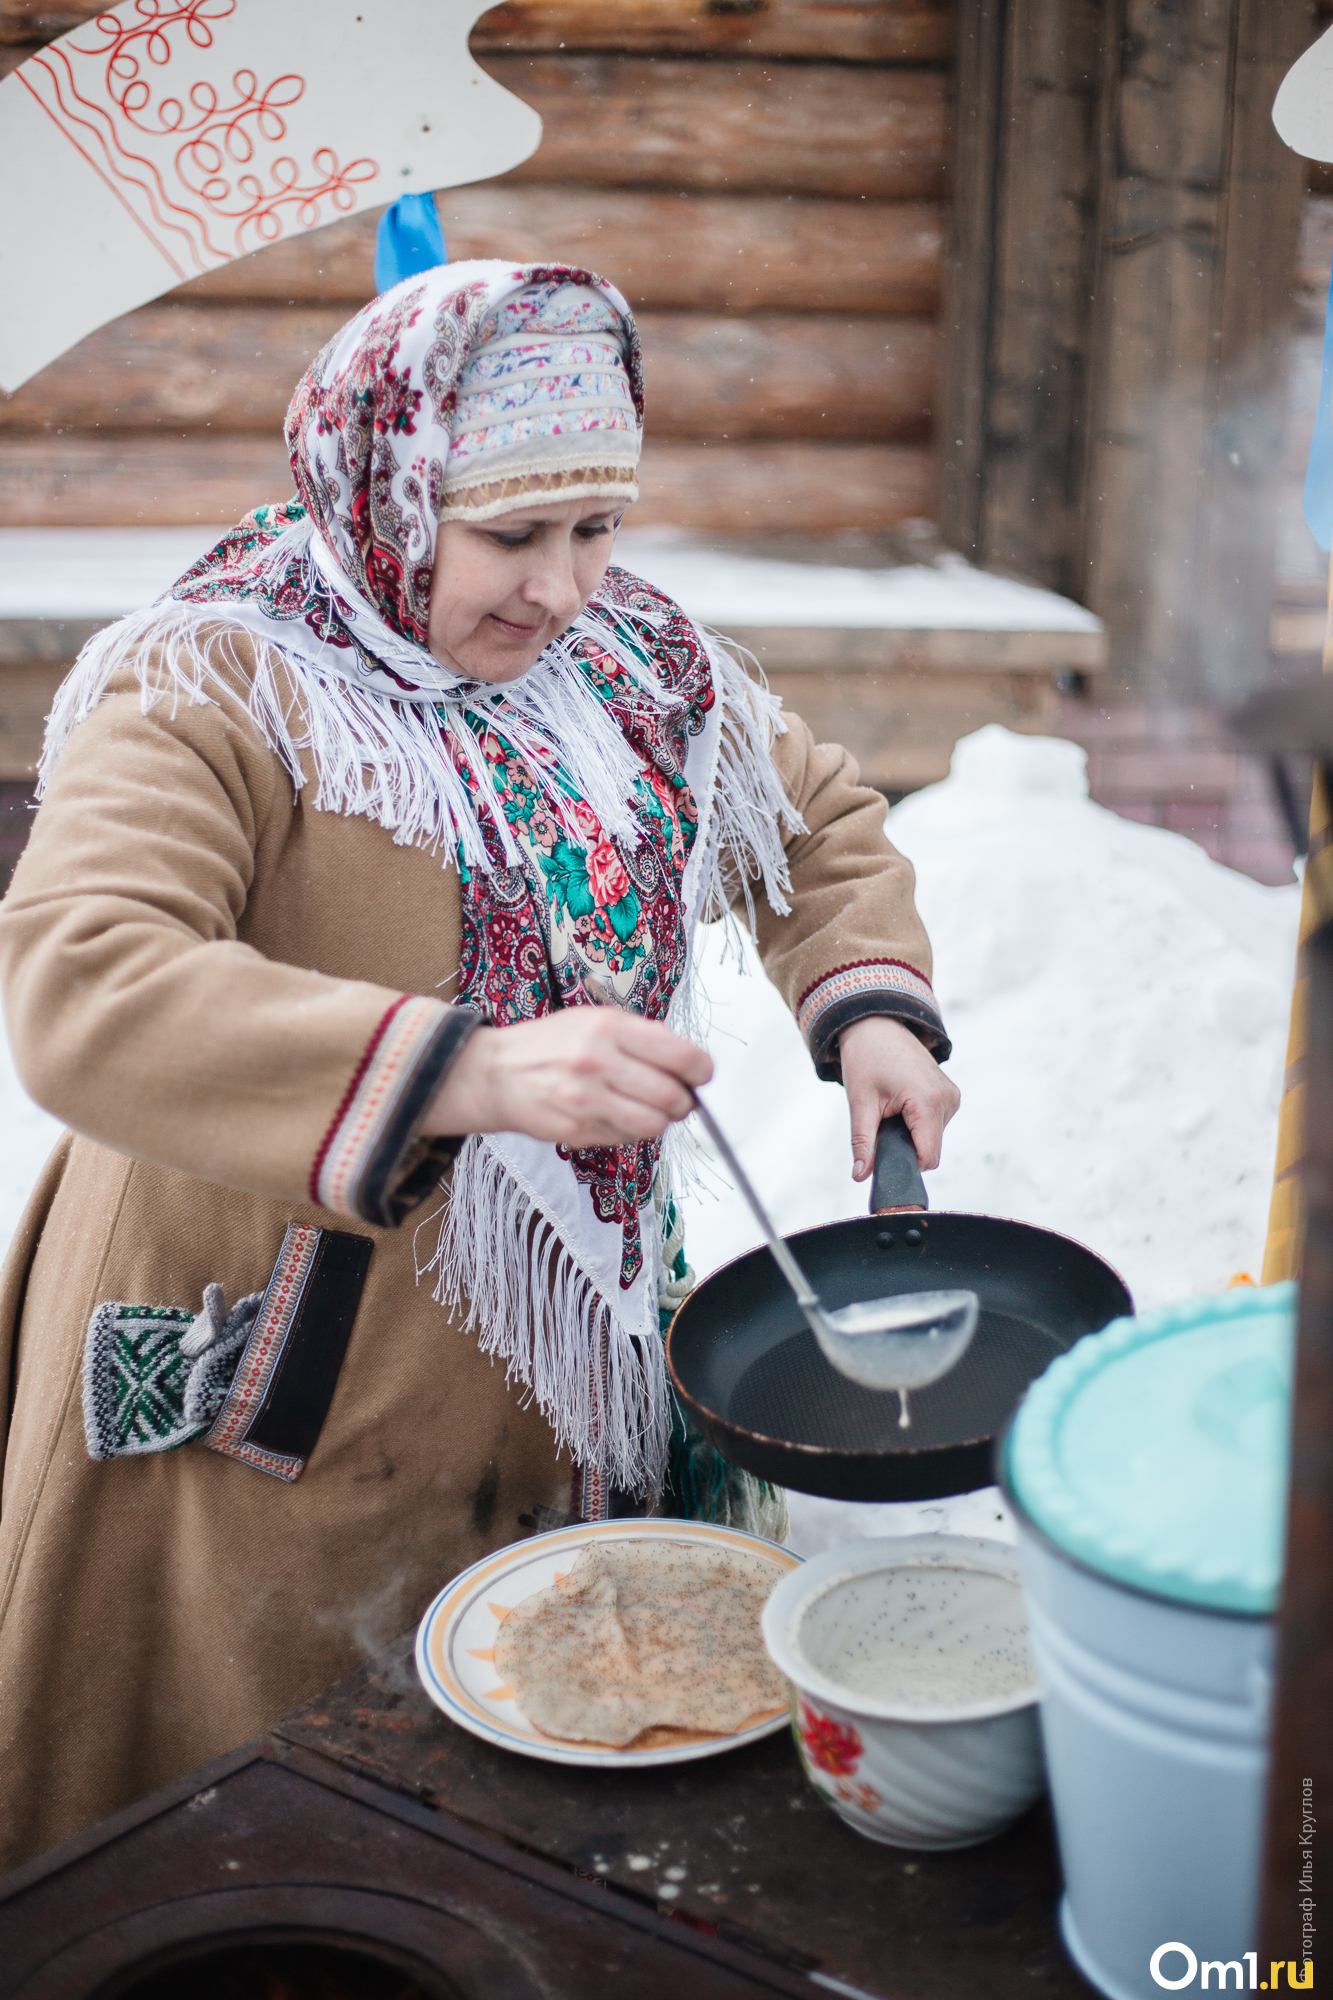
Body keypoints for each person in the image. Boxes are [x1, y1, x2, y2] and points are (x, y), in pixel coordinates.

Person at [0, 261, 958, 1869]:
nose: (564, 588)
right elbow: (83, 983)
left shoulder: (633, 666)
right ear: (383, 492)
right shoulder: (215, 683)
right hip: (297, 1344)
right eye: (511, 537)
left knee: (538, 1758)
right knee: (254, 1807)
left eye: (597, 529)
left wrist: (862, 1004)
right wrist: (473, 1072)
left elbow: (816, 826)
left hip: (575, 1318)